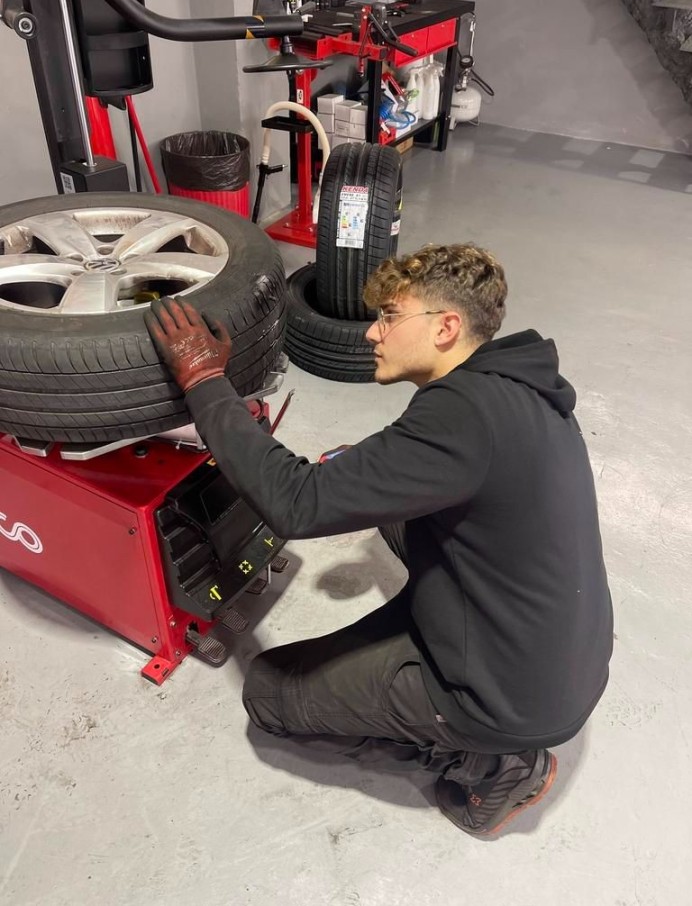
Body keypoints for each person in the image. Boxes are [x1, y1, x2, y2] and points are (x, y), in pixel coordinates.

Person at [145, 243, 613, 838]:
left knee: (268, 693)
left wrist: (206, 381)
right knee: (391, 517)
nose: (371, 333)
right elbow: (444, 470)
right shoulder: (513, 387)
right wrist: (359, 476)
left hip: (506, 695)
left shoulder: (460, 420)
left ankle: (496, 765)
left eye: (390, 316)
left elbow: (296, 503)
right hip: (558, 645)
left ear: (446, 326)